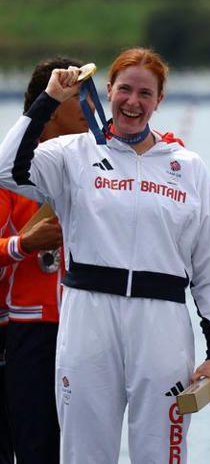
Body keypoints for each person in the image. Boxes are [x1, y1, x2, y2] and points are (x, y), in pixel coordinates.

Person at [0, 47, 210, 464]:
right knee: (83, 454)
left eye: (146, 93)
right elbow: (7, 170)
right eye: (124, 89)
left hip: (161, 322)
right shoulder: (73, 153)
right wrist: (48, 100)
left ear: (159, 100)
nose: (133, 102)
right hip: (90, 317)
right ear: (108, 91)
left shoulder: (187, 165)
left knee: (162, 452)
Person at [0, 56, 87, 464]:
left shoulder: (92, 169)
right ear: (49, 109)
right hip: (27, 333)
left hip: (84, 329)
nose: (92, 109)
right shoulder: (9, 176)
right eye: (79, 98)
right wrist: (21, 244)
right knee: (36, 450)